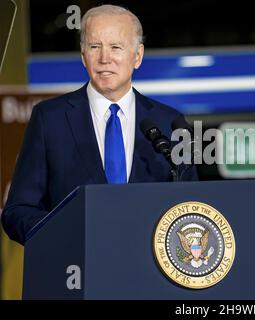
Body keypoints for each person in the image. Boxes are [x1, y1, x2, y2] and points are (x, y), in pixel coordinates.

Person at [1, 5, 197, 245]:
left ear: (137, 56)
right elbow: (18, 211)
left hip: (150, 276)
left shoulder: (171, 123)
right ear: (83, 55)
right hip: (73, 272)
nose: (105, 58)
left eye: (116, 47)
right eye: (95, 47)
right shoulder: (49, 119)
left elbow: (193, 210)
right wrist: (66, 234)